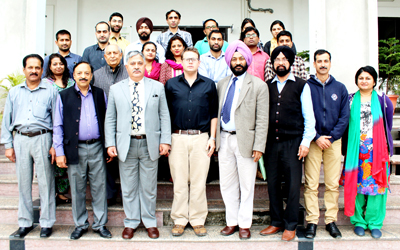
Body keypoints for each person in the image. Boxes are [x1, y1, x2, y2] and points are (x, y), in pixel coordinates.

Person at [104, 50, 171, 240]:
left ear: (145, 65)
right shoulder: (116, 89)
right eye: (132, 63)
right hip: (126, 144)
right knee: (129, 186)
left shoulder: (157, 87)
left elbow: (164, 115)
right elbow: (110, 118)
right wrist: (110, 143)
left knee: (149, 186)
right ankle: (131, 222)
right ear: (126, 66)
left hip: (150, 143)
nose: (136, 66)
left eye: (139, 63)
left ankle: (150, 222)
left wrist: (165, 140)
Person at [260, 46, 315, 241]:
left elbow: (309, 117)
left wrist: (306, 142)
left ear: (290, 62)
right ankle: (276, 222)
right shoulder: (266, 86)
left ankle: (291, 225)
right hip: (271, 143)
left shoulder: (302, 85)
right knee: (272, 184)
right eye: (277, 59)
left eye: (284, 59)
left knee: (292, 185)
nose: (280, 62)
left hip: (294, 143)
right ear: (272, 63)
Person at [216, 40, 269, 239]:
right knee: (227, 184)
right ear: (229, 61)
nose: (238, 62)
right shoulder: (222, 84)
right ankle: (232, 222)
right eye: (234, 58)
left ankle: (245, 224)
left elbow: (262, 119)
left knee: (247, 185)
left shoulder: (258, 85)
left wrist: (259, 146)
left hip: (246, 141)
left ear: (247, 60)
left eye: (241, 58)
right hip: (224, 139)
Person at [1, 54, 58, 238]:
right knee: (23, 183)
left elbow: (58, 120)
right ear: (24, 69)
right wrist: (8, 145)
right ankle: (25, 222)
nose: (34, 71)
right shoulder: (14, 92)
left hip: (43, 138)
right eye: (30, 67)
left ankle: (47, 223)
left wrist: (55, 144)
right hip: (21, 139)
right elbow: (6, 120)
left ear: (42, 70)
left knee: (46, 182)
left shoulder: (51, 90)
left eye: (37, 68)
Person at [53, 61, 111, 240]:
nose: (83, 76)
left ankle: (100, 224)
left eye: (87, 73)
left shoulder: (100, 94)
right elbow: (58, 125)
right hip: (74, 149)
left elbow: (108, 121)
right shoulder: (63, 96)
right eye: (80, 73)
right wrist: (60, 151)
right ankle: (80, 224)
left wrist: (109, 146)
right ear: (74, 76)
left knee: (99, 187)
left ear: (91, 75)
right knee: (77, 189)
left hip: (97, 147)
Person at [165, 47, 218, 237]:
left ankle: (197, 219)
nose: (189, 62)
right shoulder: (171, 84)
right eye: (186, 59)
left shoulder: (209, 85)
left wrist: (212, 138)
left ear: (198, 62)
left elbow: (214, 114)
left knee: (198, 182)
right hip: (177, 137)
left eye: (193, 59)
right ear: (182, 62)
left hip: (201, 138)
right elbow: (165, 114)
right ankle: (179, 219)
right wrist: (166, 139)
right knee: (179, 181)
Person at [341, 66, 393, 239]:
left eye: (368, 78)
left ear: (374, 81)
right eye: (361, 78)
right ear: (356, 80)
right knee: (356, 186)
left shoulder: (384, 101)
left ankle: (375, 222)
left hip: (377, 152)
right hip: (356, 150)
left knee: (377, 187)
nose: (364, 81)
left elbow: (388, 126)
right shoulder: (348, 100)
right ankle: (359, 221)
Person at [304, 50, 350, 239]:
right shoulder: (307, 86)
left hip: (333, 141)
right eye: (319, 61)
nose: (322, 64)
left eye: (326, 61)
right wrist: (316, 137)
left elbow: (345, 116)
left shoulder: (340, 88)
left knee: (332, 184)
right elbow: (303, 113)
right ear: (314, 64)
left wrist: (331, 136)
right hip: (314, 140)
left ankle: (331, 221)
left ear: (330, 63)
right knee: (311, 184)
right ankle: (312, 221)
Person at [93, 44, 129, 205]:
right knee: (105, 160)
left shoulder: (129, 72)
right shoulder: (96, 75)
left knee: (126, 159)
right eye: (109, 54)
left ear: (121, 55)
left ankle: (127, 196)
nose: (113, 56)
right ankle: (109, 194)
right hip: (103, 122)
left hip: (126, 123)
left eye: (116, 53)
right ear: (105, 57)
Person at [42, 53, 75, 205]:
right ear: (49, 66)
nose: (58, 66)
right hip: (51, 125)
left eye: (61, 63)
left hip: (69, 125)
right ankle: (53, 193)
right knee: (53, 162)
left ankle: (62, 192)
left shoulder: (71, 83)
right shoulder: (45, 84)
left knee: (66, 161)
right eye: (54, 64)